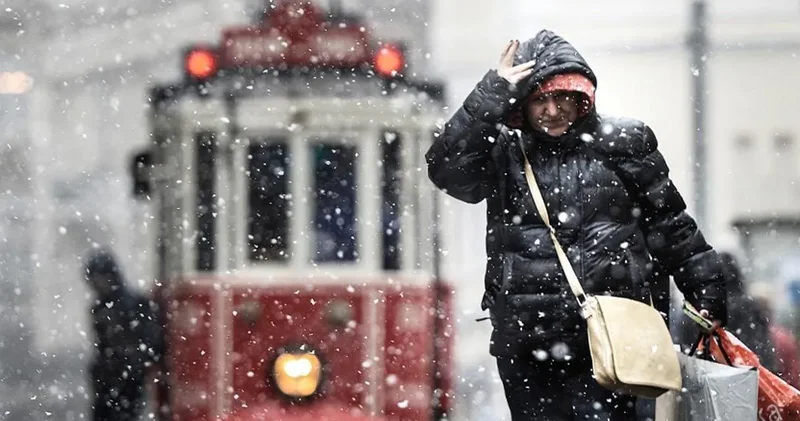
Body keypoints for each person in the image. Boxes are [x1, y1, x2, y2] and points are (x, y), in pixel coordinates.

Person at [425, 31, 727, 420]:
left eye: (562, 97)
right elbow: (447, 170)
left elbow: (671, 228)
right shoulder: (507, 152)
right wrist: (494, 90)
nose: (552, 111)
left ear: (582, 97)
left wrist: (707, 294)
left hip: (613, 339)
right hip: (527, 342)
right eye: (539, 100)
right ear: (521, 105)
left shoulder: (625, 142)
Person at [84, 248, 164, 421]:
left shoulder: (131, 304)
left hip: (126, 382)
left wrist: (131, 365)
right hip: (111, 381)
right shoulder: (102, 306)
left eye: (100, 277)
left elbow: (152, 342)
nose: (97, 283)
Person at [752, 284, 800, 388]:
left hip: (756, 392)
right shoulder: (784, 337)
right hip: (781, 393)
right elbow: (794, 375)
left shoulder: (744, 337)